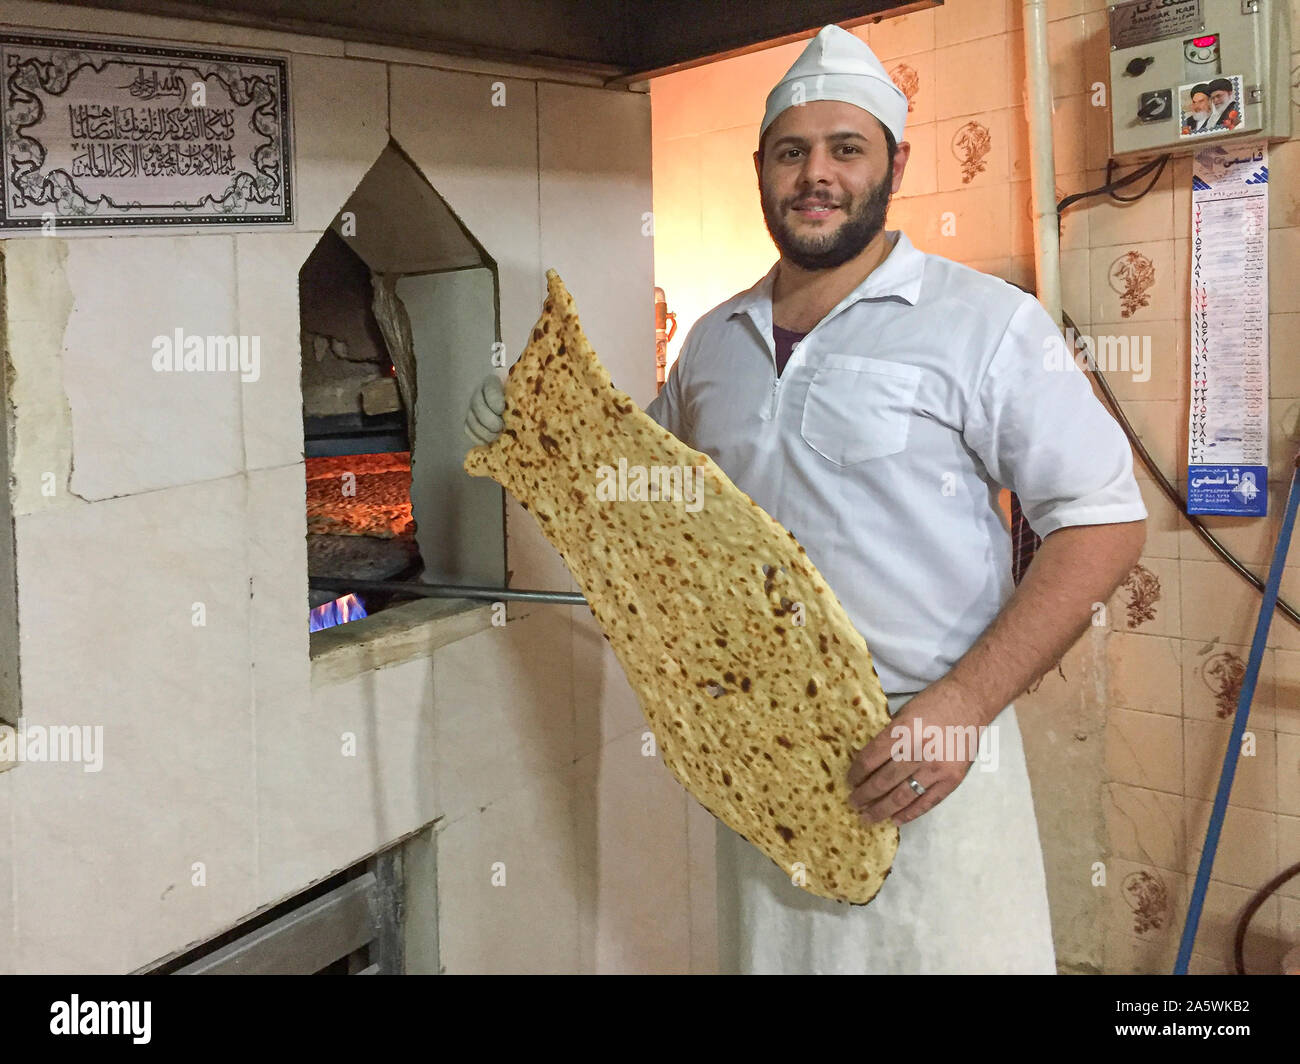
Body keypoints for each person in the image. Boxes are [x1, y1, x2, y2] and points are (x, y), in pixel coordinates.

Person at [465, 24, 1148, 974]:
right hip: (765, 757)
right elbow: (644, 501)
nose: (815, 174)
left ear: (894, 163)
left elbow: (1104, 521)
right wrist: (528, 433)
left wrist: (962, 705)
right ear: (761, 168)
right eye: (792, 152)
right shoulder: (714, 342)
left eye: (845, 149)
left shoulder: (984, 325)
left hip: (932, 752)